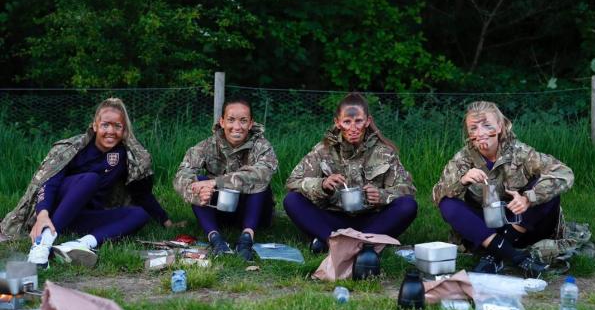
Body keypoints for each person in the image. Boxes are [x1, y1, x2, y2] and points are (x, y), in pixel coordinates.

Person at [1, 98, 177, 269]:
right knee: (90, 179)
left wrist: (166, 221)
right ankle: (43, 244)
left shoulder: (125, 156)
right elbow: (49, 181)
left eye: (117, 126)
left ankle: (78, 245)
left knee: (140, 214)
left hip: (83, 217)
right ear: (95, 126)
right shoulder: (73, 148)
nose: (111, 131)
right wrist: (43, 215)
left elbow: (141, 193)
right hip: (55, 214)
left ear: (124, 131)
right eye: (105, 125)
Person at [433, 101, 574, 277]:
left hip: (522, 226)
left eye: (487, 125)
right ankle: (516, 257)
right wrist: (461, 181)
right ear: (468, 133)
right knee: (448, 203)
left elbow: (564, 173)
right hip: (486, 230)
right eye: (474, 128)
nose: (481, 133)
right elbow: (436, 195)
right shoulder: (463, 158)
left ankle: (495, 255)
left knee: (547, 191)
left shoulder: (520, 152)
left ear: (500, 126)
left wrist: (528, 198)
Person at [284, 92, 418, 253]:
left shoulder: (384, 152)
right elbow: (292, 181)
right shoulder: (323, 150)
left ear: (367, 121)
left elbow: (407, 189)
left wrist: (382, 195)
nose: (353, 128)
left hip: (372, 220)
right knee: (292, 200)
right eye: (347, 122)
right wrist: (321, 185)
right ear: (338, 123)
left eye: (358, 121)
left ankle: (340, 243)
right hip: (333, 218)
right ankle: (341, 242)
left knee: (408, 205)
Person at [173, 98, 278, 261]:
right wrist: (197, 191)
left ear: (251, 124)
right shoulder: (206, 146)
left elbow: (262, 174)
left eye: (243, 121)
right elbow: (181, 175)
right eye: (231, 120)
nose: (237, 127)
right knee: (198, 182)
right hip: (220, 209)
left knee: (259, 183)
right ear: (222, 122)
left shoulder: (262, 146)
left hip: (253, 211)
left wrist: (215, 182)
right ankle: (215, 239)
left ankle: (246, 239)